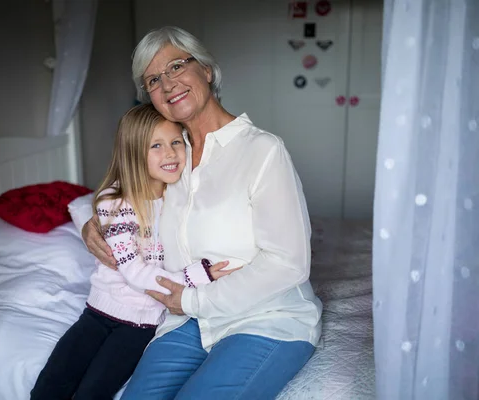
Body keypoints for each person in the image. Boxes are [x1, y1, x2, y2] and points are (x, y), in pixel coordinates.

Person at [80, 26, 323, 400]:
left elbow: (289, 263)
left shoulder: (261, 151)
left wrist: (192, 301)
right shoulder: (167, 156)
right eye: (154, 80)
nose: (168, 84)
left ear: (206, 70)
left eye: (177, 66)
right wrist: (90, 224)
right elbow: (123, 196)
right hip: (187, 324)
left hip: (265, 318)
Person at [30, 104, 237, 400]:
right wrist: (194, 276)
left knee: (92, 393)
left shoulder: (179, 198)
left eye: (175, 142)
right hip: (98, 314)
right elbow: (135, 274)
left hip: (140, 326)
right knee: (50, 385)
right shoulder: (114, 203)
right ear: (134, 153)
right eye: (156, 145)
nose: (170, 153)